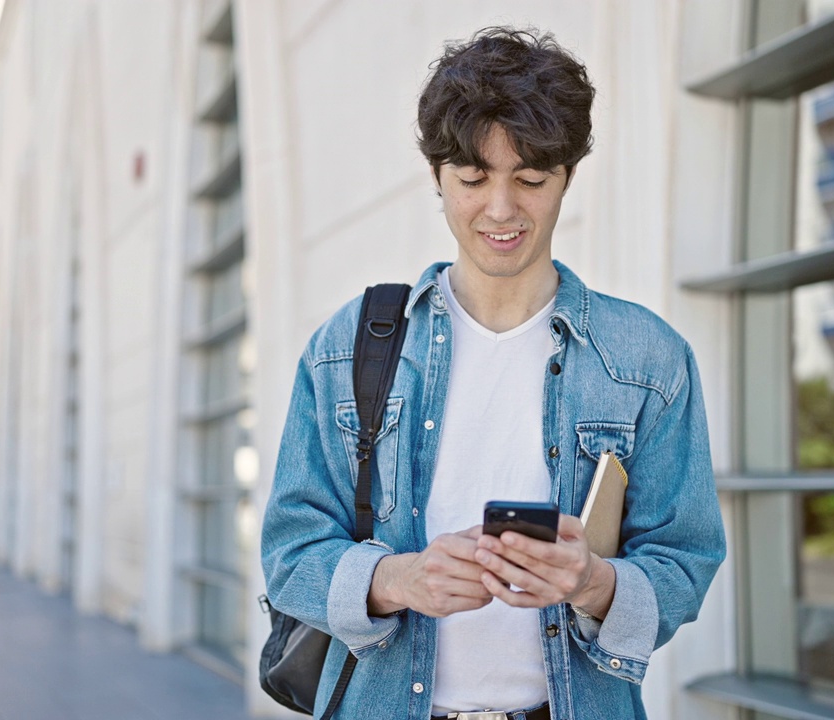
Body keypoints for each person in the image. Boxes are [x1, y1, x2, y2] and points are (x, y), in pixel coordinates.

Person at [261, 26, 726, 720]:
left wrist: (594, 582)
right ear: (436, 177)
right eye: (473, 179)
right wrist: (398, 579)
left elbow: (684, 562)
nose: (502, 210)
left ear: (567, 174)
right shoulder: (346, 348)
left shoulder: (648, 360)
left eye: (531, 179)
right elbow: (291, 550)